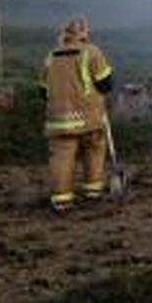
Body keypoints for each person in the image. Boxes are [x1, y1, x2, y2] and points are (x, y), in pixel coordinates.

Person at [40, 16, 115, 212]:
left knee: (61, 157)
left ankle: (62, 199)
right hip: (88, 117)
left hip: (58, 119)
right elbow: (105, 84)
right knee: (94, 151)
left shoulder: (51, 56)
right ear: (83, 33)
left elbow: (42, 91)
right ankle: (93, 192)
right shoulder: (92, 52)